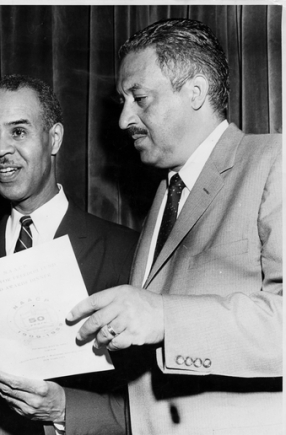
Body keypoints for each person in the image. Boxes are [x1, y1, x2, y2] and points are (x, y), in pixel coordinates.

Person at [68, 18, 282, 435]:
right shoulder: (166, 195)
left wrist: (164, 317)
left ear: (196, 92)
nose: (123, 118)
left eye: (140, 98)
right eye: (122, 100)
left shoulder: (275, 160)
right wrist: (61, 408)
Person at [0, 74, 139, 435]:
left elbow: (145, 408)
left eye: (18, 132)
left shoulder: (126, 251)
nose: (0, 150)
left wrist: (63, 410)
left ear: (54, 139)